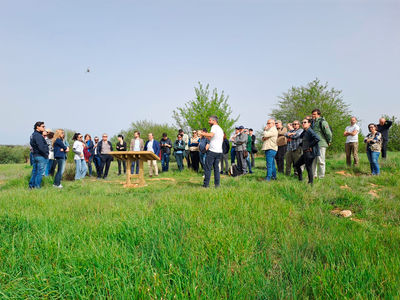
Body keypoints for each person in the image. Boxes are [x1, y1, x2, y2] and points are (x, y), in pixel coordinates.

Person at [294, 118, 320, 184]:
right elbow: (301, 137)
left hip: (310, 153)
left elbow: (317, 138)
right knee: (297, 165)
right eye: (302, 122)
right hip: (305, 152)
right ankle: (300, 180)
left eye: (305, 122)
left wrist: (310, 146)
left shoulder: (310, 131)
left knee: (308, 167)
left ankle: (310, 183)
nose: (303, 123)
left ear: (309, 124)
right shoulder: (305, 131)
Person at [200, 115, 224, 188]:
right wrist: (206, 136)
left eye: (210, 120)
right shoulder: (220, 129)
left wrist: (202, 133)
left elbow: (211, 134)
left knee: (207, 168)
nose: (209, 122)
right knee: (216, 169)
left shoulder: (214, 127)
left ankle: (206, 185)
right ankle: (217, 185)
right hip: (219, 151)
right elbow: (214, 138)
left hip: (212, 151)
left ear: (214, 121)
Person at [311, 109, 332, 179]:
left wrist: (329, 141)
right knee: (313, 161)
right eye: (312, 114)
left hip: (321, 144)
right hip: (313, 144)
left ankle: (321, 177)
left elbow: (328, 133)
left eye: (314, 114)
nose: (313, 115)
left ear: (318, 114)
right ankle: (314, 175)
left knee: (321, 161)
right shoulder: (312, 122)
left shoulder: (322, 122)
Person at [29, 121, 49, 189]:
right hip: (40, 156)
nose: (44, 128)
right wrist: (46, 154)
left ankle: (31, 186)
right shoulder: (38, 136)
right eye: (43, 126)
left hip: (35, 155)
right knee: (39, 173)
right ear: (37, 127)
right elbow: (40, 147)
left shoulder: (33, 135)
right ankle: (37, 187)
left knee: (35, 172)